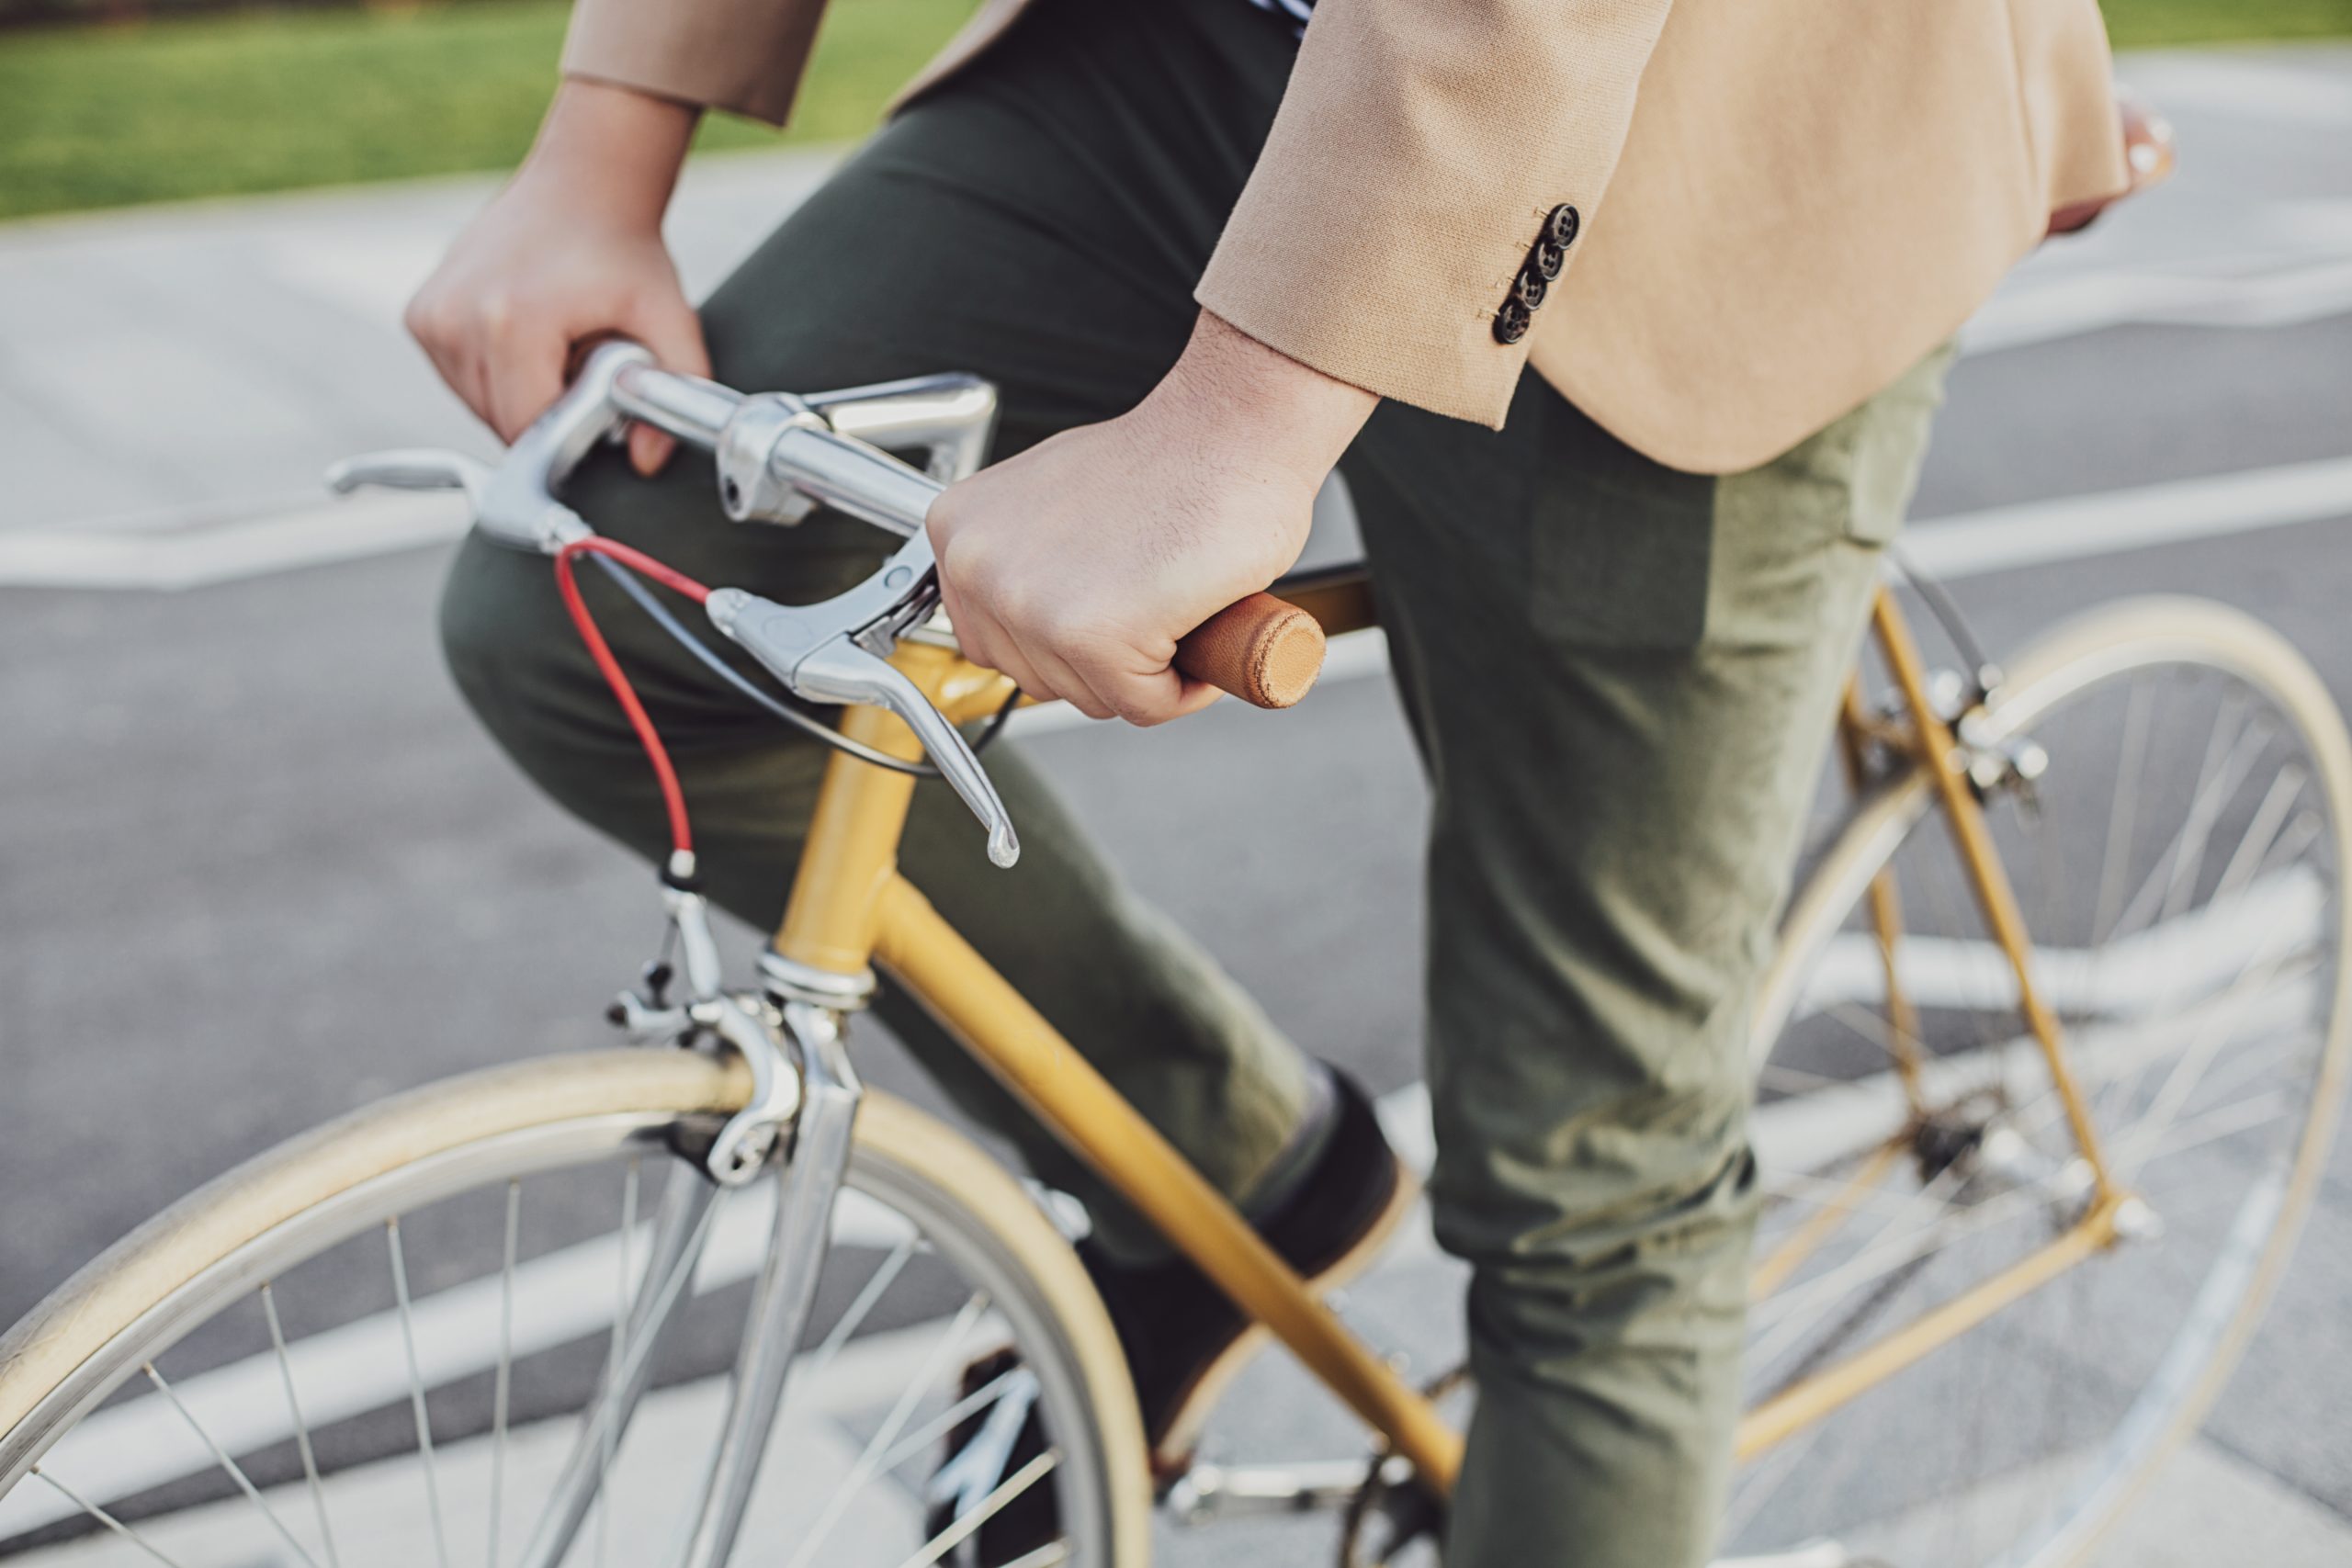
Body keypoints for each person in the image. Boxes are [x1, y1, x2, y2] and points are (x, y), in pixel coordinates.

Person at [412, 1, 2134, 1561]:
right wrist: (606, 143)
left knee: (1591, 1182)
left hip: (1720, 131)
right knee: (595, 615)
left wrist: (1240, 420)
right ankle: (1226, 1161)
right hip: (1204, 45)